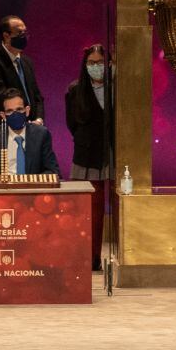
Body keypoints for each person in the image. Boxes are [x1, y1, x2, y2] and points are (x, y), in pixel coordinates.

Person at [65, 44, 112, 269]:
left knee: (116, 206)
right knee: (89, 210)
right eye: (91, 63)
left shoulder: (117, 88)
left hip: (112, 153)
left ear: (109, 64)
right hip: (86, 155)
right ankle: (90, 258)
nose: (96, 67)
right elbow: (71, 124)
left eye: (100, 63)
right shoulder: (74, 90)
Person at [0, 88, 60, 175]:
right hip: (0, 192)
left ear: (27, 111)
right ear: (3, 115)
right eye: (9, 111)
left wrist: (34, 182)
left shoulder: (41, 134)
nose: (15, 114)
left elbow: (53, 171)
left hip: (31, 192)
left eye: (19, 109)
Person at [0, 15, 44, 126]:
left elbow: (36, 95)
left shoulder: (27, 61)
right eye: (20, 33)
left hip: (32, 127)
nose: (24, 36)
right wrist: (23, 117)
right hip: (5, 127)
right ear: (6, 36)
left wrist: (38, 119)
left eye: (25, 32)